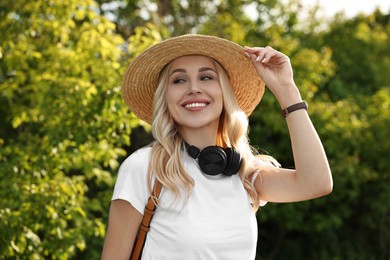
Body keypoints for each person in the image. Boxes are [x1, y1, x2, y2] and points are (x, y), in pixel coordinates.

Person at [101, 34, 333, 259]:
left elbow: (316, 183)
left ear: (225, 91)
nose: (193, 88)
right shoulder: (144, 167)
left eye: (206, 77)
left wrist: (286, 89)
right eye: (179, 80)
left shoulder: (244, 172)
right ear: (165, 97)